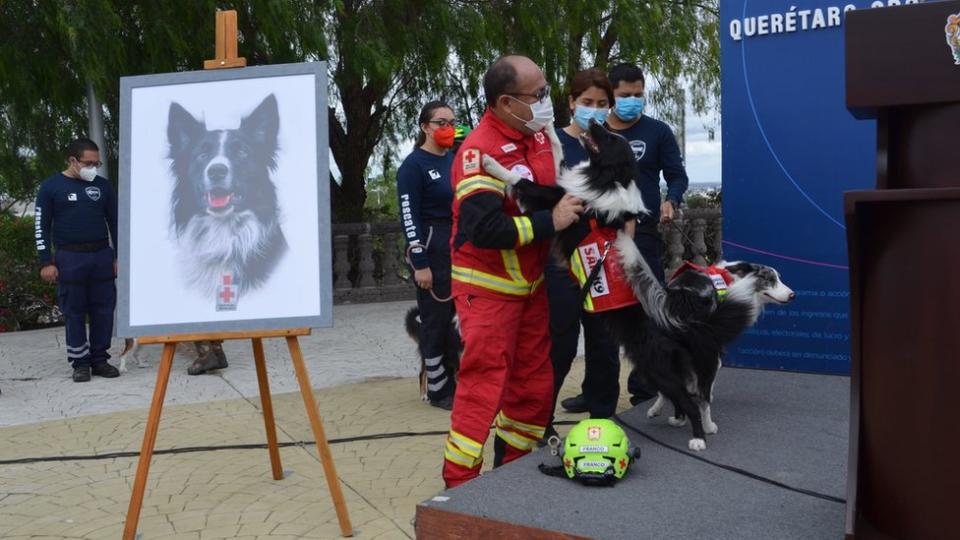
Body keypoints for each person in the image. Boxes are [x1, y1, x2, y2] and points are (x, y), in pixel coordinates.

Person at [442, 55, 584, 488]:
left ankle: (512, 478)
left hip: (531, 287)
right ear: (506, 102)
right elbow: (483, 229)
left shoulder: (539, 138)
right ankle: (459, 485)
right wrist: (550, 223)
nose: (547, 102)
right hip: (486, 289)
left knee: (533, 387)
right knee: (483, 386)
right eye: (538, 95)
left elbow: (550, 195)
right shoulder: (477, 150)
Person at [560, 62, 690, 412]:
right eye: (624, 96)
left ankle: (645, 390)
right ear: (610, 97)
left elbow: (677, 175)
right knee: (599, 322)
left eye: (639, 95)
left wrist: (671, 199)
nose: (633, 101)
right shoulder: (593, 139)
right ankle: (594, 391)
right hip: (592, 241)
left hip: (640, 235)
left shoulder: (658, 132)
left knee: (644, 314)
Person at [546, 68, 631, 433]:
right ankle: (538, 420)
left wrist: (623, 256)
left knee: (604, 344)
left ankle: (602, 419)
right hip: (561, 263)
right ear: (571, 103)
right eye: (586, 103)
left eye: (601, 104)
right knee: (559, 344)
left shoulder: (616, 147)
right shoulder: (549, 144)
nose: (593, 110)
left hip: (603, 262)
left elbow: (629, 206)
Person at [35, 138, 120, 382]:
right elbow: (41, 226)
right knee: (74, 312)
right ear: (72, 160)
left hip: (101, 256)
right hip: (70, 257)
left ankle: (100, 359)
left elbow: (116, 223)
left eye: (97, 163)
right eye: (88, 163)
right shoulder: (51, 187)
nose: (93, 167)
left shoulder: (103, 187)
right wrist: (46, 262)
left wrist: (119, 257)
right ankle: (80, 363)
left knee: (104, 310)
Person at [397, 101, 459, 410]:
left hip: (458, 245)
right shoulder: (413, 166)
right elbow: (409, 217)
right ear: (425, 127)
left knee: (459, 321)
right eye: (441, 122)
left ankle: (458, 379)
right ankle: (438, 389)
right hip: (432, 247)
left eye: (452, 122)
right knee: (435, 320)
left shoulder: (456, 160)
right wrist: (420, 262)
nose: (448, 128)